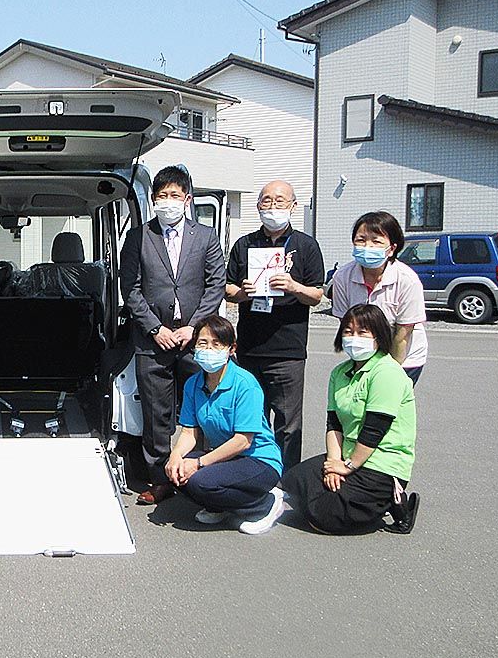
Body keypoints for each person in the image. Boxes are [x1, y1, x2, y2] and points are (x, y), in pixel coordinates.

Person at [119, 164, 226, 506]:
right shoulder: (138, 236)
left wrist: (193, 327)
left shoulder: (206, 236)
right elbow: (130, 288)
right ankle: (161, 478)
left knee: (205, 409)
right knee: (157, 415)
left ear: (187, 199)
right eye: (162, 196)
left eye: (174, 195)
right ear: (153, 200)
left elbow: (215, 285)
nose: (168, 201)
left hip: (196, 340)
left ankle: (203, 473)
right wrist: (156, 328)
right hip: (153, 341)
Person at [286, 305, 419, 534]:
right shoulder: (340, 373)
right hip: (347, 456)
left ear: (379, 336)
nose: (353, 338)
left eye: (362, 332)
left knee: (323, 518)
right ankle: (351, 500)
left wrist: (347, 467)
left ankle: (393, 500)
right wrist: (333, 465)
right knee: (294, 481)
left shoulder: (387, 372)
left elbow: (374, 430)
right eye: (348, 331)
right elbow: (334, 424)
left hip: (381, 463)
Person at [225, 180, 325, 470]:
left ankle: (286, 479)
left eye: (280, 201)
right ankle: (252, 475)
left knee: (288, 424)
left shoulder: (305, 246)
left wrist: (294, 286)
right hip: (249, 348)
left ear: (293, 206)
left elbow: (317, 295)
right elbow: (227, 288)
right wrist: (243, 293)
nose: (272, 206)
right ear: (258, 206)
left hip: (288, 351)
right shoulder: (244, 244)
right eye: (266, 201)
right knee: (248, 420)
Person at [166, 316, 286, 534]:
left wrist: (199, 463)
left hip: (258, 459)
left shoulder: (245, 384)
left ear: (231, 349)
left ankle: (265, 504)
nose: (209, 349)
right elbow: (189, 432)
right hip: (226, 457)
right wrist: (175, 457)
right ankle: (218, 505)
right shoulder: (193, 383)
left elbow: (243, 441)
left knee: (200, 482)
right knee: (177, 472)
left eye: (217, 344)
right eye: (203, 343)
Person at [329, 211, 427, 384]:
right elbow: (348, 326)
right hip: (364, 355)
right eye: (361, 240)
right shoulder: (342, 277)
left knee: (388, 397)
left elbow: (403, 334)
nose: (367, 246)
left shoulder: (407, 280)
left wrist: (390, 373)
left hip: (403, 358)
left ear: (392, 248)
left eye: (376, 241)